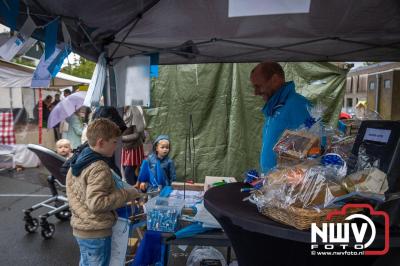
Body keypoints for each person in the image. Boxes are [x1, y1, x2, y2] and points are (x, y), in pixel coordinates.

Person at [66, 118, 142, 266]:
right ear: (101, 142)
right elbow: (97, 203)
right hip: (96, 231)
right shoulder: (99, 167)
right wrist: (128, 194)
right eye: (114, 142)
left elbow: (70, 187)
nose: (116, 146)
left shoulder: (79, 159)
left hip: (81, 227)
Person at [250, 62, 311, 173]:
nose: (255, 92)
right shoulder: (274, 107)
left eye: (258, 86)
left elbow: (315, 148)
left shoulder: (298, 105)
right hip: (273, 183)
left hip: (287, 184)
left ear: (275, 80)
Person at [121, 106, 146, 185]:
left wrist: (121, 138)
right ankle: (135, 193)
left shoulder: (134, 112)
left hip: (134, 148)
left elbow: (136, 135)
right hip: (124, 147)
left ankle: (135, 194)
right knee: (126, 171)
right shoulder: (120, 113)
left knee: (129, 172)